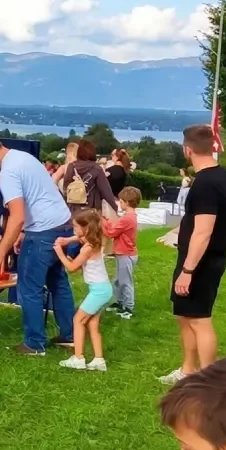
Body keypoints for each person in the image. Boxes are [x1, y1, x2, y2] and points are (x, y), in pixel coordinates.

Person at [0, 134, 74, 357]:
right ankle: (69, 335)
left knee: (29, 288)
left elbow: (16, 216)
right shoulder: (23, 158)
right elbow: (37, 199)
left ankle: (35, 344)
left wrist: (0, 252)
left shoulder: (8, 172)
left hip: (43, 233)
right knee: (58, 282)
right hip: (63, 225)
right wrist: (24, 232)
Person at [160, 125, 226, 387]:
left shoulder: (205, 183)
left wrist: (188, 270)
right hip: (199, 257)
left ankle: (208, 379)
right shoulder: (221, 176)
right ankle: (188, 370)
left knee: (199, 319)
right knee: (184, 315)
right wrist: (178, 233)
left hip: (201, 262)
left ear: (187, 150)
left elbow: (203, 232)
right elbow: (196, 221)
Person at [56, 210, 113, 371]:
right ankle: (98, 360)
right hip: (103, 289)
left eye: (75, 226)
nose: (74, 230)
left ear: (85, 227)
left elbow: (72, 268)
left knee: (78, 320)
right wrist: (68, 240)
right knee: (92, 324)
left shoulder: (87, 248)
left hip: (98, 291)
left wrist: (60, 252)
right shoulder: (96, 239)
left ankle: (78, 358)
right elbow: (81, 238)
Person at [104, 184, 141, 319]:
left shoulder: (127, 218)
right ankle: (120, 303)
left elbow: (111, 232)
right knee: (118, 281)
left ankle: (128, 307)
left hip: (126, 254)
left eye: (121, 201)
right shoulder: (130, 216)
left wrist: (104, 223)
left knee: (126, 282)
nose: (119, 203)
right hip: (123, 253)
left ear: (126, 202)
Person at [58, 139, 119, 218]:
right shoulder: (97, 169)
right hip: (91, 209)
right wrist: (115, 207)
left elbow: (66, 187)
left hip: (74, 209)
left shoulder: (71, 166)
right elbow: (106, 191)